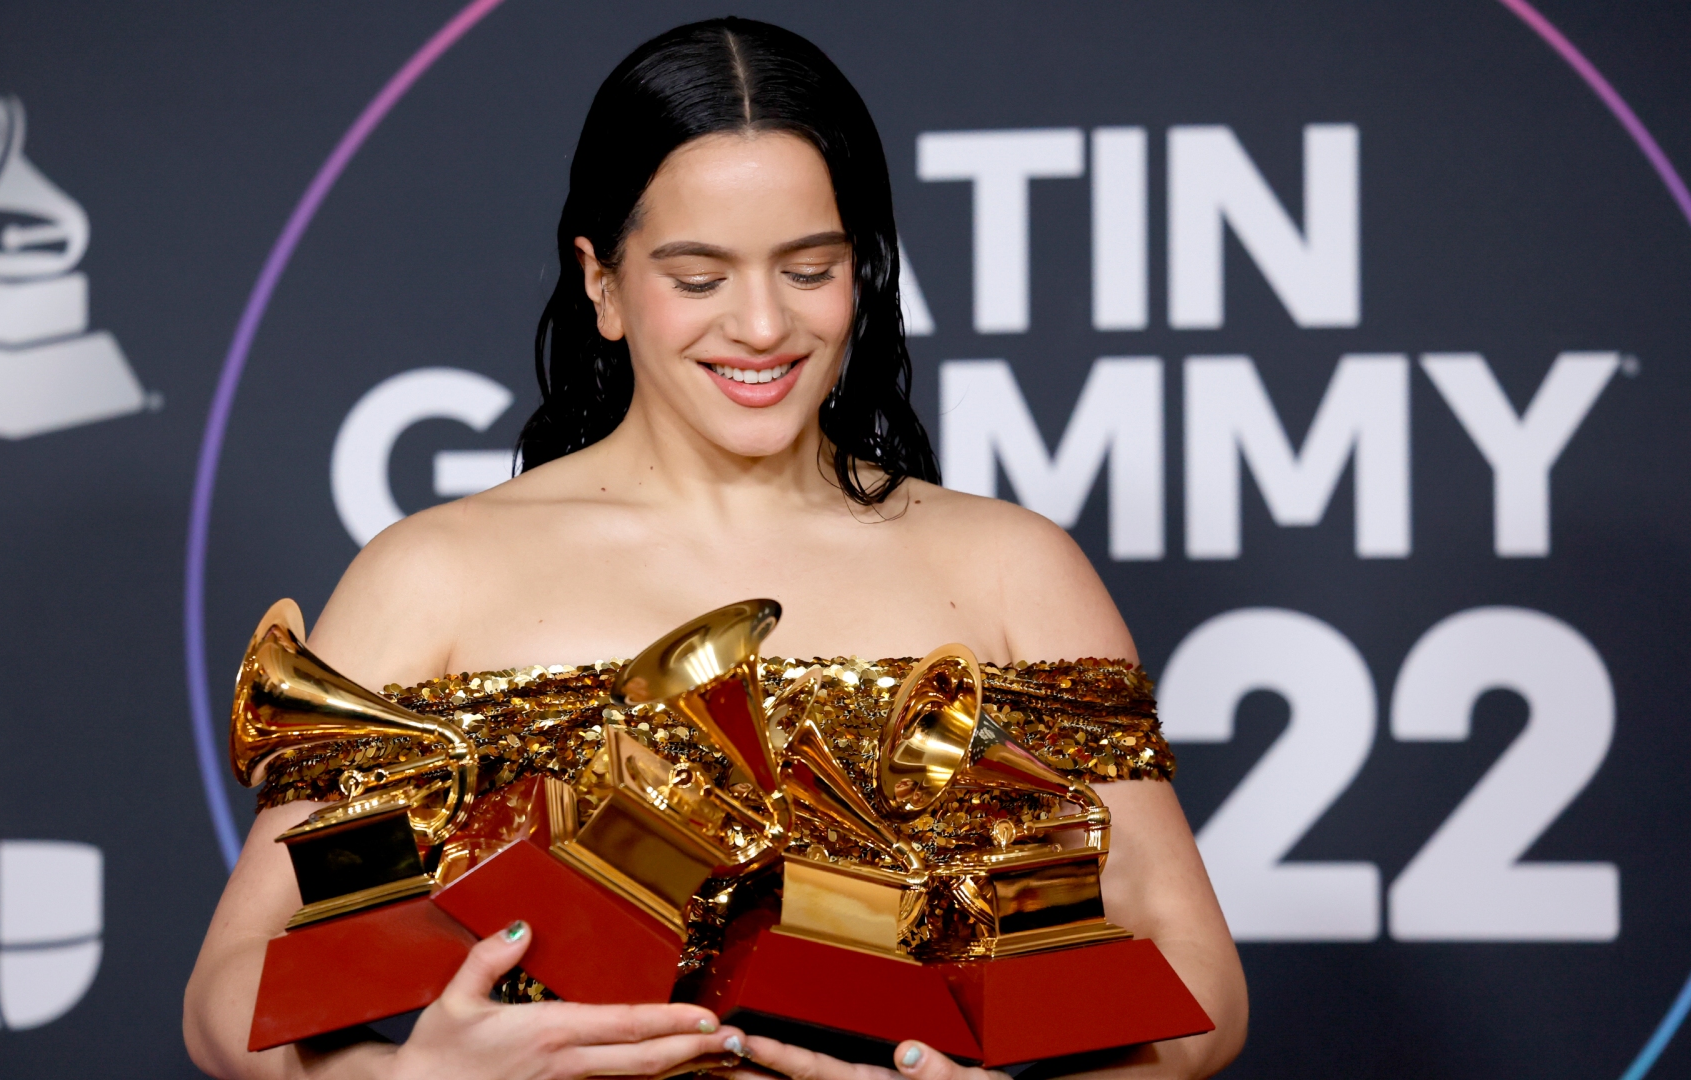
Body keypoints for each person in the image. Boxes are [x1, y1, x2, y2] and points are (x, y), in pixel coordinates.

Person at [184, 16, 1246, 1080]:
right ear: (600, 281)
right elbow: (237, 987)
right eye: (697, 278)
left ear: (862, 272)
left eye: (809, 268)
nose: (759, 325)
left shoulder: (1012, 568)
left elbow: (1189, 967)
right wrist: (412, 1079)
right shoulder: (435, 577)